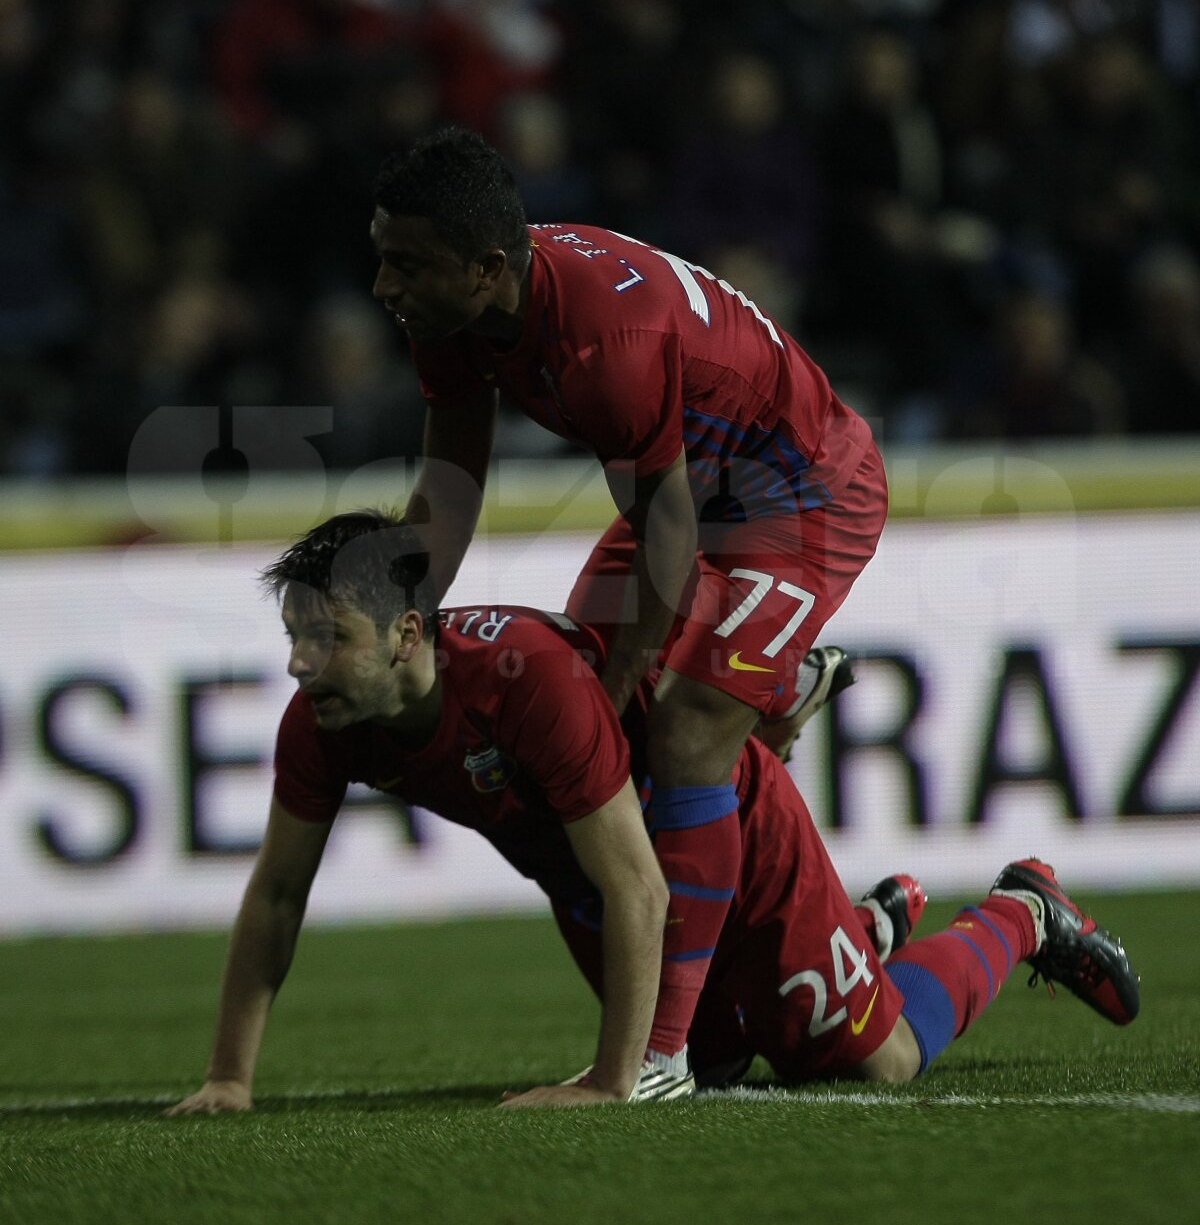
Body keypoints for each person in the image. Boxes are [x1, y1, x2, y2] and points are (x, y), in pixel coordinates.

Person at [167, 511, 1140, 1114]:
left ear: (408, 633)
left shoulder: (525, 684)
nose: (299, 664)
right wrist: (229, 1077)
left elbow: (641, 878)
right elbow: (279, 894)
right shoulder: (328, 718)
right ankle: (864, 932)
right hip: (595, 883)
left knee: (869, 1061)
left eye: (325, 637)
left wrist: (608, 1081)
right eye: (295, 637)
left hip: (718, 843)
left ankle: (1021, 911)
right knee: (712, 1065)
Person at [369, 125, 886, 1062]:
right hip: (695, 487)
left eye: (406, 265)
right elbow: (449, 489)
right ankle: (772, 708)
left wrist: (605, 708)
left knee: (676, 729)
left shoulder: (605, 343)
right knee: (597, 707)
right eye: (381, 259)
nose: (384, 288)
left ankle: (661, 1057)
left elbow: (670, 538)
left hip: (803, 488)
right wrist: (396, 627)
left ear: (486, 268)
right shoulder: (461, 314)